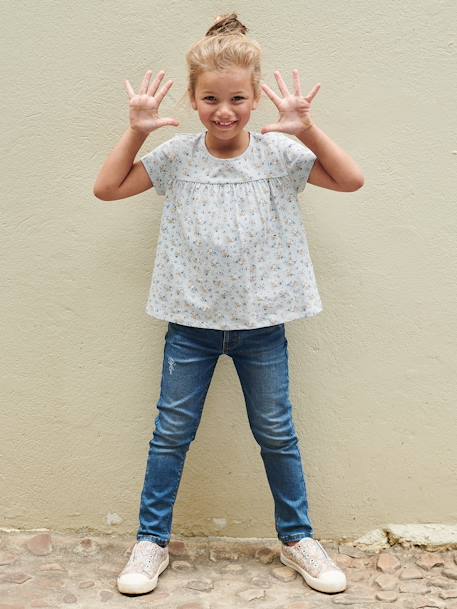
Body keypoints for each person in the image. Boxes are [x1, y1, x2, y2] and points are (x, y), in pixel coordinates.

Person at [93, 12, 364, 598]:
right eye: (211, 98)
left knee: (276, 432)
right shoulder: (177, 156)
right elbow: (108, 188)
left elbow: (350, 180)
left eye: (237, 98)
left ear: (256, 98)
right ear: (193, 100)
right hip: (189, 324)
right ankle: (151, 542)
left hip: (262, 325)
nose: (225, 110)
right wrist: (137, 130)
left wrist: (307, 130)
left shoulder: (278, 153)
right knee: (171, 433)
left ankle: (297, 540)